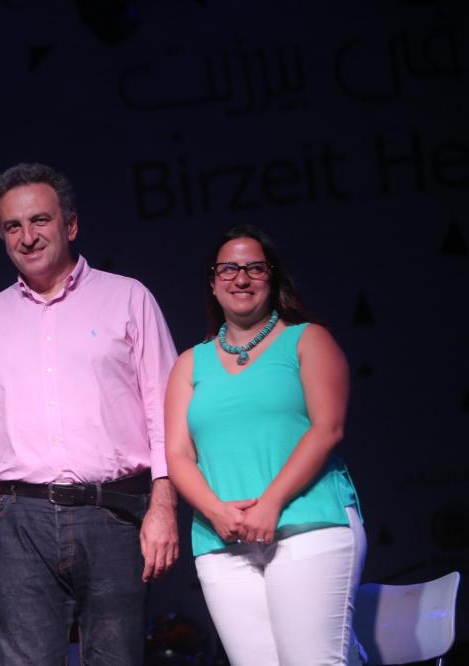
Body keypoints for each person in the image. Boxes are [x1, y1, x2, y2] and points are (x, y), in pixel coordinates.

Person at [0, 162, 179, 665]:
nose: (28, 237)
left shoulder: (127, 297)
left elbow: (165, 408)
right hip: (18, 520)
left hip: (115, 514)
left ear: (71, 225)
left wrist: (164, 505)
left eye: (40, 220)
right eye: (13, 226)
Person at [164, 224, 365, 665]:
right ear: (213, 282)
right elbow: (178, 455)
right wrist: (217, 511)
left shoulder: (307, 340)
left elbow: (328, 429)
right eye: (228, 269)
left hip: (308, 525)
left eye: (254, 268)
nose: (241, 278)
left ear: (272, 278)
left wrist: (271, 503)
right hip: (221, 540)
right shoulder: (189, 363)